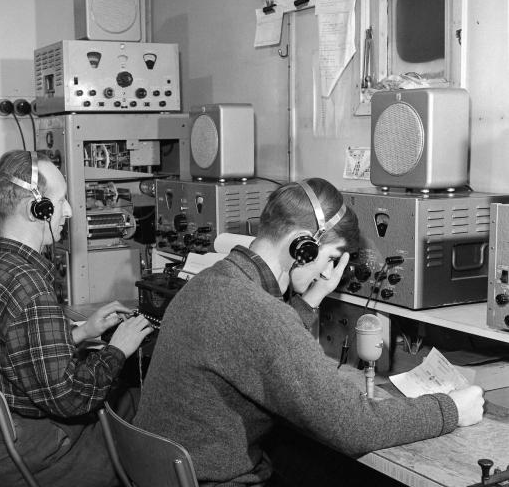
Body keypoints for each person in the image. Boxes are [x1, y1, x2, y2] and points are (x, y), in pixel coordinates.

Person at [134, 178, 484, 487]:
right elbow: (355, 427)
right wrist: (450, 409)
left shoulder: (212, 281)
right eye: (331, 256)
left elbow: (255, 345)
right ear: (304, 246)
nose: (330, 269)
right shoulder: (260, 314)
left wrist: (312, 296)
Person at [0, 150, 153, 487]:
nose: (69, 211)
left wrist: (81, 332)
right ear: (37, 209)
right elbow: (71, 399)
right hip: (44, 453)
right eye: (61, 201)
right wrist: (118, 348)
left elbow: (11, 353)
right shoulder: (30, 289)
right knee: (143, 403)